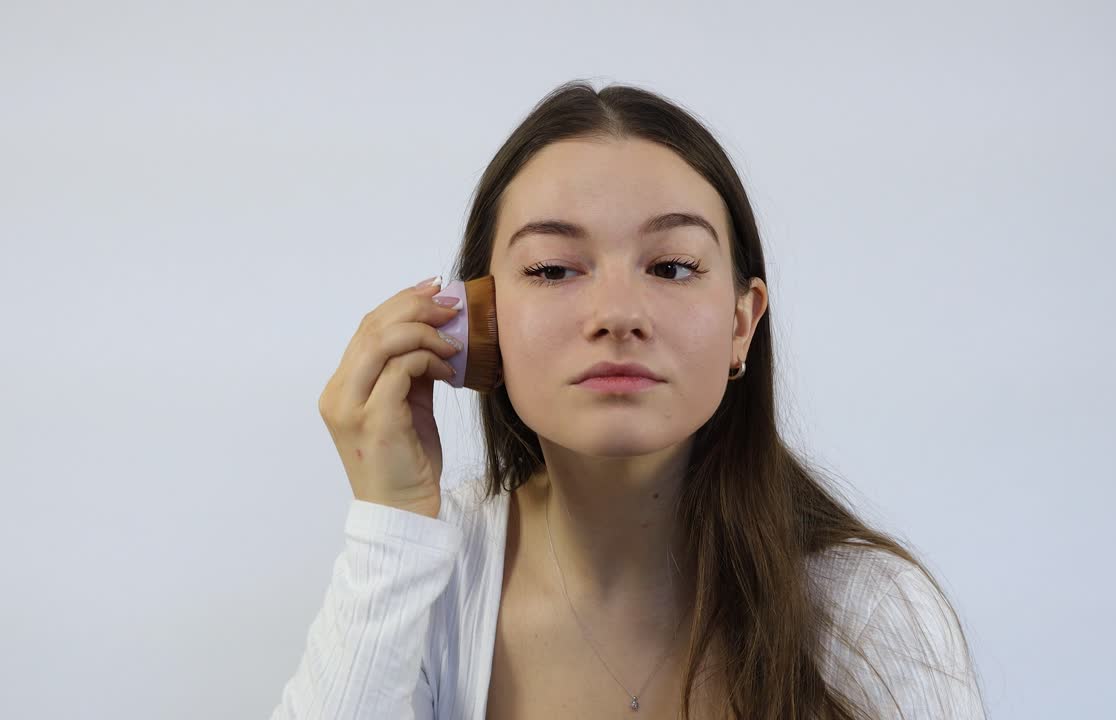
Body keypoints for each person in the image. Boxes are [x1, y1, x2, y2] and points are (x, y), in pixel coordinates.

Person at [271, 80, 987, 719]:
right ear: (480, 322)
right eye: (553, 269)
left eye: (672, 266)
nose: (618, 313)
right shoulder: (429, 583)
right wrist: (391, 523)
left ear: (742, 324)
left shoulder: (869, 613)